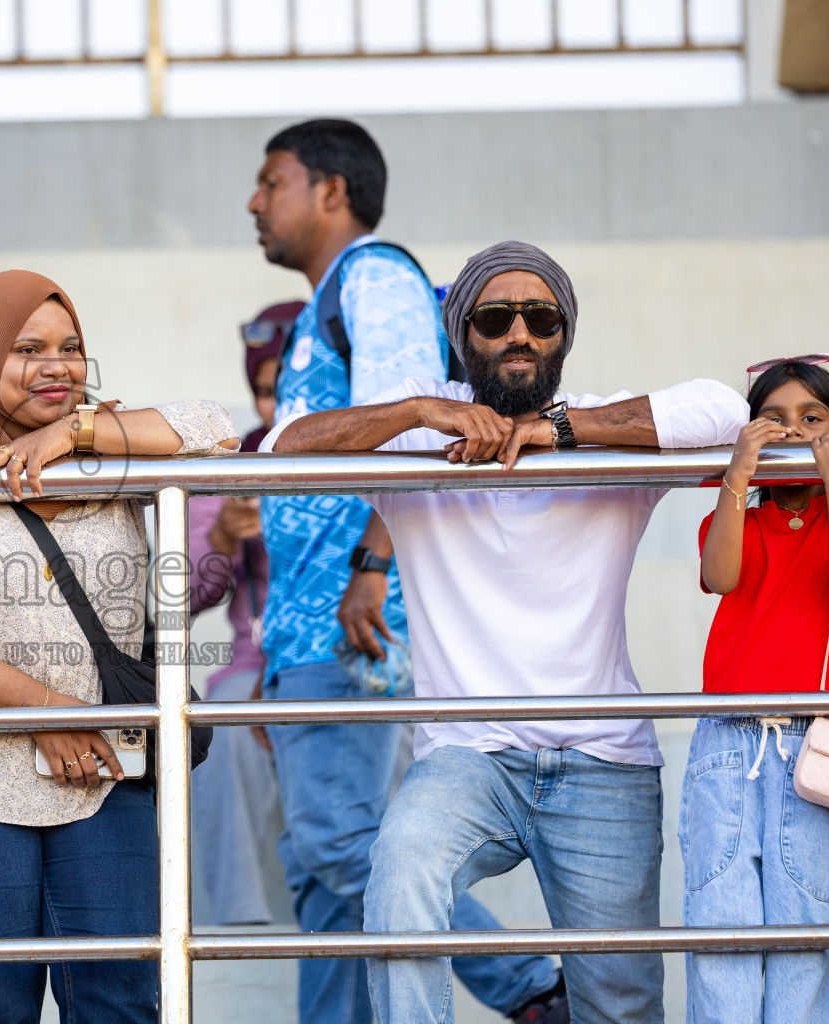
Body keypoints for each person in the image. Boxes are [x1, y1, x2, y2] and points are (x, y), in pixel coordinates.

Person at [265, 240, 750, 1024]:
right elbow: (288, 446)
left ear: (564, 335)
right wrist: (422, 410)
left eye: (542, 317)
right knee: (398, 877)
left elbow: (727, 411)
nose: (520, 333)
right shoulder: (423, 430)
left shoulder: (604, 435)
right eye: (495, 317)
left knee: (618, 1002)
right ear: (462, 336)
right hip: (467, 758)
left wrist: (561, 431)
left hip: (604, 761)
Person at [246, 119, 564, 1023]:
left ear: (331, 192)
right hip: (311, 623)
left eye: (273, 181)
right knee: (322, 879)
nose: (255, 202)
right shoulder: (331, 301)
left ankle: (534, 985)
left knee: (345, 847)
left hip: (346, 620)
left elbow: (419, 426)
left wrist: (372, 565)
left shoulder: (373, 276)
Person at [0, 269, 236, 1023]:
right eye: (26, 348)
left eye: (70, 349)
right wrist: (49, 711)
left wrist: (74, 432)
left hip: (104, 773)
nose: (55, 366)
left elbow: (215, 425)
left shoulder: (112, 453)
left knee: (120, 1000)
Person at [685, 356, 829, 1023]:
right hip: (728, 739)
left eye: (813, 418)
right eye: (773, 418)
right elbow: (719, 576)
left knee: (803, 927)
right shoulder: (742, 519)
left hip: (818, 739)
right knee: (720, 919)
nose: (794, 430)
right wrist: (738, 473)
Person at [186, 300, 298, 926]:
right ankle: (239, 921)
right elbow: (184, 602)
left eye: (289, 387)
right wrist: (225, 537)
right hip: (252, 668)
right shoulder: (235, 466)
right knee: (218, 722)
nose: (276, 406)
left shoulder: (365, 457)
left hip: (353, 662)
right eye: (263, 391)